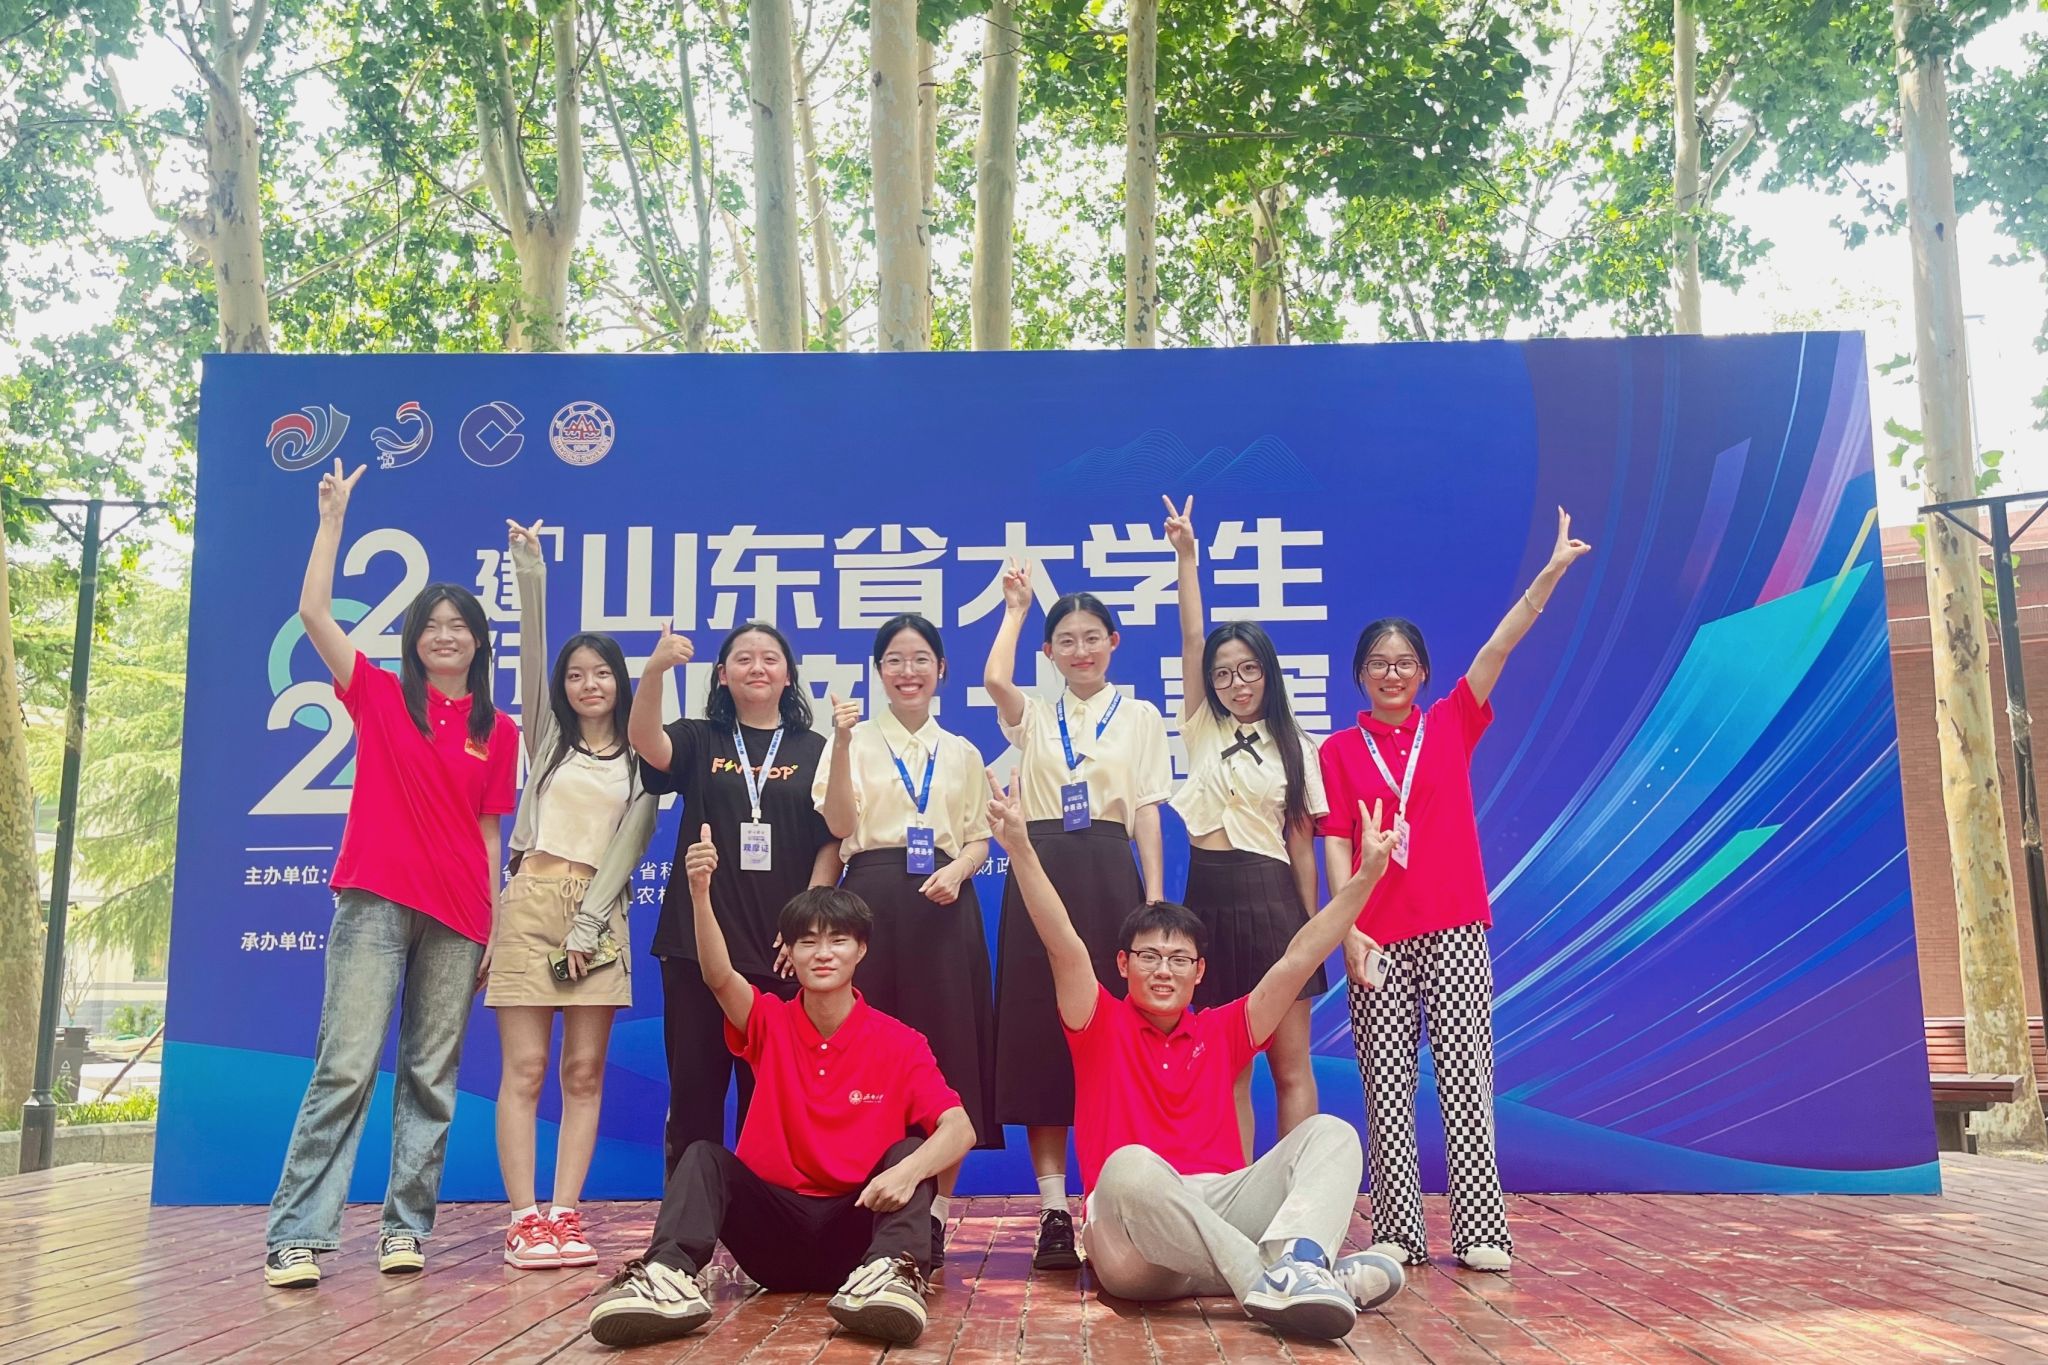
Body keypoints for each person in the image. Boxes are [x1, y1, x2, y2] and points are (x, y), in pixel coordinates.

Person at [987, 771, 1406, 1339]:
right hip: (1134, 1243)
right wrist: (1020, 848)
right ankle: (1276, 1274)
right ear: (1122, 964)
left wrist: (1364, 880)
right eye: (1149, 957)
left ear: (1199, 971)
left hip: (1220, 1208)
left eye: (1179, 959)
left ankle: (1300, 1264)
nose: (1163, 970)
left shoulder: (1224, 1029)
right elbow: (1061, 939)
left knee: (1332, 1134)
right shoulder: (1098, 1021)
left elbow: (1299, 958)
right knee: (1127, 1168)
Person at [263, 459, 519, 1289]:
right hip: (373, 902)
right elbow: (313, 612)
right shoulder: (376, 692)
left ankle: (406, 1229)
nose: (445, 634)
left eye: (459, 624)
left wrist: (493, 922)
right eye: (431, 624)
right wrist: (332, 519)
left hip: (459, 916)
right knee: (344, 1066)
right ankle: (298, 1234)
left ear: (477, 640)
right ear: (414, 638)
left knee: (431, 1076)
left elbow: (490, 831)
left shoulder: (499, 729)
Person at [1319, 507, 1593, 1273]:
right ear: (1360, 674)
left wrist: (1550, 573)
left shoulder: (1450, 723)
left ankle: (1480, 1231)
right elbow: (1334, 842)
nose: (1392, 673)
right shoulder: (1338, 750)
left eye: (1405, 662)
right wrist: (1346, 928)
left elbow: (1501, 644)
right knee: (1385, 1085)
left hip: (1455, 927)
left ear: (1424, 673)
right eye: (1379, 662)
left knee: (1468, 1075)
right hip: (1376, 937)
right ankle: (1400, 1232)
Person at [584, 830, 976, 1350]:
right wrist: (699, 894)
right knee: (702, 1156)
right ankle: (666, 1278)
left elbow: (960, 1128)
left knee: (911, 1151)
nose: (823, 953)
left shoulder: (900, 1042)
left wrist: (907, 1172)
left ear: (861, 949)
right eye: (807, 941)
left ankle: (890, 1281)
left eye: (838, 940)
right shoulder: (768, 1021)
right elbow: (719, 976)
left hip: (856, 1240)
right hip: (771, 1239)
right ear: (789, 951)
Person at [983, 564, 1172, 1269]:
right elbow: (995, 678)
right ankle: (1053, 1210)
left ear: (1114, 642)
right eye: (1066, 640)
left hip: (1110, 874)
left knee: (1116, 1036)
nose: (1081, 650)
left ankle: (1114, 1203)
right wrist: (1015, 610)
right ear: (1049, 652)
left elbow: (1146, 808)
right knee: (1041, 1034)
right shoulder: (1035, 713)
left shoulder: (1141, 716)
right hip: (1039, 869)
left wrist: (1154, 898)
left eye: (1093, 637)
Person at [488, 517, 662, 1269]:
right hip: (531, 903)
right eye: (576, 675)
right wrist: (530, 569)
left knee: (583, 1073)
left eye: (602, 673)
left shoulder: (644, 759)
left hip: (599, 915)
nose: (589, 684)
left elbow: (630, 845)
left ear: (621, 682)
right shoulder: (548, 738)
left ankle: (565, 1213)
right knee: (526, 1070)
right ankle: (523, 1219)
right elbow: (532, 655)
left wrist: (589, 924)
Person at [814, 613, 999, 1269]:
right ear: (879, 671)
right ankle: (869, 1206)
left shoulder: (962, 751)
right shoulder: (855, 740)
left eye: (921, 658)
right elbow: (840, 826)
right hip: (869, 901)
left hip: (943, 908)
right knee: (869, 1059)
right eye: (894, 659)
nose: (908, 671)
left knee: (947, 1059)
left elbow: (978, 838)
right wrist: (840, 743)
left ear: (941, 669)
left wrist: (958, 869)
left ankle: (936, 1214)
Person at [629, 618, 841, 1172]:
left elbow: (833, 840)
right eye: (743, 659)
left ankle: (758, 1217)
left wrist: (805, 928)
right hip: (696, 948)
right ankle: (689, 1218)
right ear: (722, 675)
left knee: (768, 1097)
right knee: (694, 1094)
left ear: (789, 676)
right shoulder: (701, 739)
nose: (757, 667)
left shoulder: (815, 749)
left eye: (770, 658)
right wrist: (654, 672)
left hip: (779, 950)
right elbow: (647, 742)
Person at [1163, 494, 1329, 1155]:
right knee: (1226, 1067)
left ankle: (1298, 1191)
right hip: (1206, 901)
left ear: (1268, 672)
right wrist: (1187, 558)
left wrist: (1311, 931)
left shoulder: (1300, 747)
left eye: (1248, 670)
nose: (1237, 683)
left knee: (1289, 1066)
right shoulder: (1201, 727)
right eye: (1225, 674)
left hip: (1272, 903)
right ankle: (1233, 1191)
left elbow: (1302, 848)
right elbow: (1192, 638)